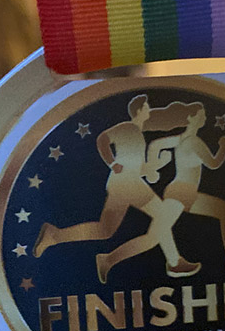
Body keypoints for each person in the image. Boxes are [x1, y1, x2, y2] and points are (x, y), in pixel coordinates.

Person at [32, 95, 200, 281]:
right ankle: (174, 262)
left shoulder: (137, 133)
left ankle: (55, 236)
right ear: (138, 111)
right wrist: (111, 163)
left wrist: (158, 164)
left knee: (105, 230)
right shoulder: (127, 127)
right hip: (126, 183)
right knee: (162, 216)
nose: (149, 110)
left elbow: (137, 168)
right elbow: (102, 139)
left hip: (126, 183)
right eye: (146, 107)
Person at [95, 104, 225, 282]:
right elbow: (214, 163)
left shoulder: (180, 139)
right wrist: (224, 146)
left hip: (185, 193)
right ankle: (110, 260)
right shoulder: (194, 142)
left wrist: (155, 165)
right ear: (191, 118)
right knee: (153, 237)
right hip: (181, 193)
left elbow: (156, 144)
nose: (204, 118)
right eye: (201, 115)